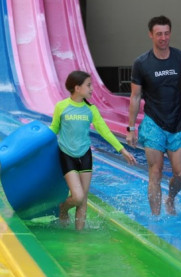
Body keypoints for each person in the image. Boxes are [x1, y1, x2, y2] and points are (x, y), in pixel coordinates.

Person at [127, 15, 181, 216]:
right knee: (155, 173)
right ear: (151, 35)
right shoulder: (141, 63)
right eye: (159, 34)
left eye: (166, 33)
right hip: (153, 124)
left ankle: (170, 199)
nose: (163, 38)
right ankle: (156, 218)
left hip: (177, 123)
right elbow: (135, 97)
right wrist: (131, 128)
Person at [50, 71, 136, 230]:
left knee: (82, 201)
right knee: (77, 196)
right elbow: (53, 129)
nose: (92, 89)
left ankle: (79, 237)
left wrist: (122, 150)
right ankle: (63, 208)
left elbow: (105, 131)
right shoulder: (61, 107)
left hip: (85, 155)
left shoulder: (91, 109)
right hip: (66, 155)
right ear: (77, 88)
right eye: (88, 85)